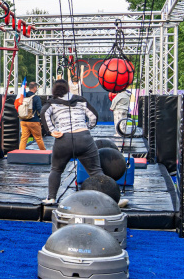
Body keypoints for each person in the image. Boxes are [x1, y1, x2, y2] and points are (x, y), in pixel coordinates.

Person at [42, 79, 128, 208]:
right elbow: (94, 116)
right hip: (84, 139)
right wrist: (87, 127)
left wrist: (52, 131)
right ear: (68, 89)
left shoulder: (51, 103)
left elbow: (43, 113)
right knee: (96, 172)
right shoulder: (80, 100)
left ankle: (51, 198)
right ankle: (112, 200)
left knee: (56, 170)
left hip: (63, 140)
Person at [19, 81, 46, 150]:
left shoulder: (23, 96)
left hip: (23, 120)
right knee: (38, 138)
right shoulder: (36, 97)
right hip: (34, 121)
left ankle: (20, 154)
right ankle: (44, 153)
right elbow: (40, 110)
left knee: (24, 138)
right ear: (35, 88)